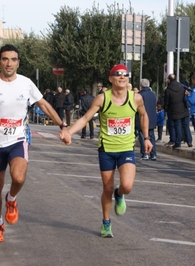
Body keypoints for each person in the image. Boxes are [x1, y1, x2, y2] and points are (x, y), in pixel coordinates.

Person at [0, 44, 69, 242]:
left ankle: (11, 199)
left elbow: (44, 105)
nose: (9, 63)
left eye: (13, 59)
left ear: (18, 62)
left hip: (18, 139)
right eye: (5, 59)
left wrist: (62, 125)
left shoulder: (26, 83)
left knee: (18, 178)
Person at [60, 64, 152, 238]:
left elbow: (143, 115)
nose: (122, 77)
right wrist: (69, 133)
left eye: (125, 75)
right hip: (106, 150)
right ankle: (106, 222)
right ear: (111, 79)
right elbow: (86, 118)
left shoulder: (136, 98)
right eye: (118, 74)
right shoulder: (102, 99)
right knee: (107, 189)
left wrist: (146, 138)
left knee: (127, 186)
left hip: (126, 149)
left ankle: (120, 194)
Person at [164, 73, 191, 148]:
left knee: (177, 126)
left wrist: (166, 109)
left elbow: (167, 101)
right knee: (186, 126)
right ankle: (189, 141)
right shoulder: (181, 87)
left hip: (175, 111)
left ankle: (178, 142)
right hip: (184, 109)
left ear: (169, 80)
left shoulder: (168, 90)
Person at [137, 79, 157, 160]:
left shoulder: (139, 95)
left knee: (143, 137)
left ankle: (145, 154)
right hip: (152, 118)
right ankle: (153, 154)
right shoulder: (153, 94)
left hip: (142, 119)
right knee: (151, 137)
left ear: (141, 85)